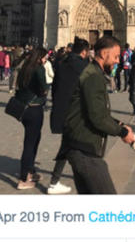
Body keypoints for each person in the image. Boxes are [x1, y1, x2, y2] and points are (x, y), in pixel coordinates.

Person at [58, 35, 135, 194]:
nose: (117, 61)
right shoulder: (93, 75)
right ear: (103, 53)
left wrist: (118, 124)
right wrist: (121, 132)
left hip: (79, 147)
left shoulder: (93, 72)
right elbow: (97, 117)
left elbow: (95, 110)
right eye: (115, 56)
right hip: (85, 150)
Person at [46, 38, 90, 194]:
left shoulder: (62, 63)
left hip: (61, 111)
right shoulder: (83, 66)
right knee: (78, 145)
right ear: (84, 52)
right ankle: (56, 181)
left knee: (69, 145)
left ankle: (56, 181)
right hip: (76, 112)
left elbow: (55, 88)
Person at [14, 47, 50, 190]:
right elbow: (43, 88)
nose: (46, 59)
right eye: (45, 57)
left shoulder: (25, 68)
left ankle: (30, 171)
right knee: (30, 144)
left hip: (24, 110)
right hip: (34, 109)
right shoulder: (39, 69)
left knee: (32, 141)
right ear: (40, 57)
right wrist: (46, 87)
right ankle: (23, 178)